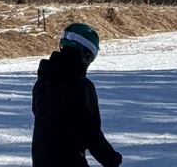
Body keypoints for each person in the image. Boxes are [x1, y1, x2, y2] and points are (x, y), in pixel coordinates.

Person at [32, 22, 123, 167]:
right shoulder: (81, 86)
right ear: (86, 54)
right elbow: (91, 134)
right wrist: (111, 159)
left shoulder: (42, 82)